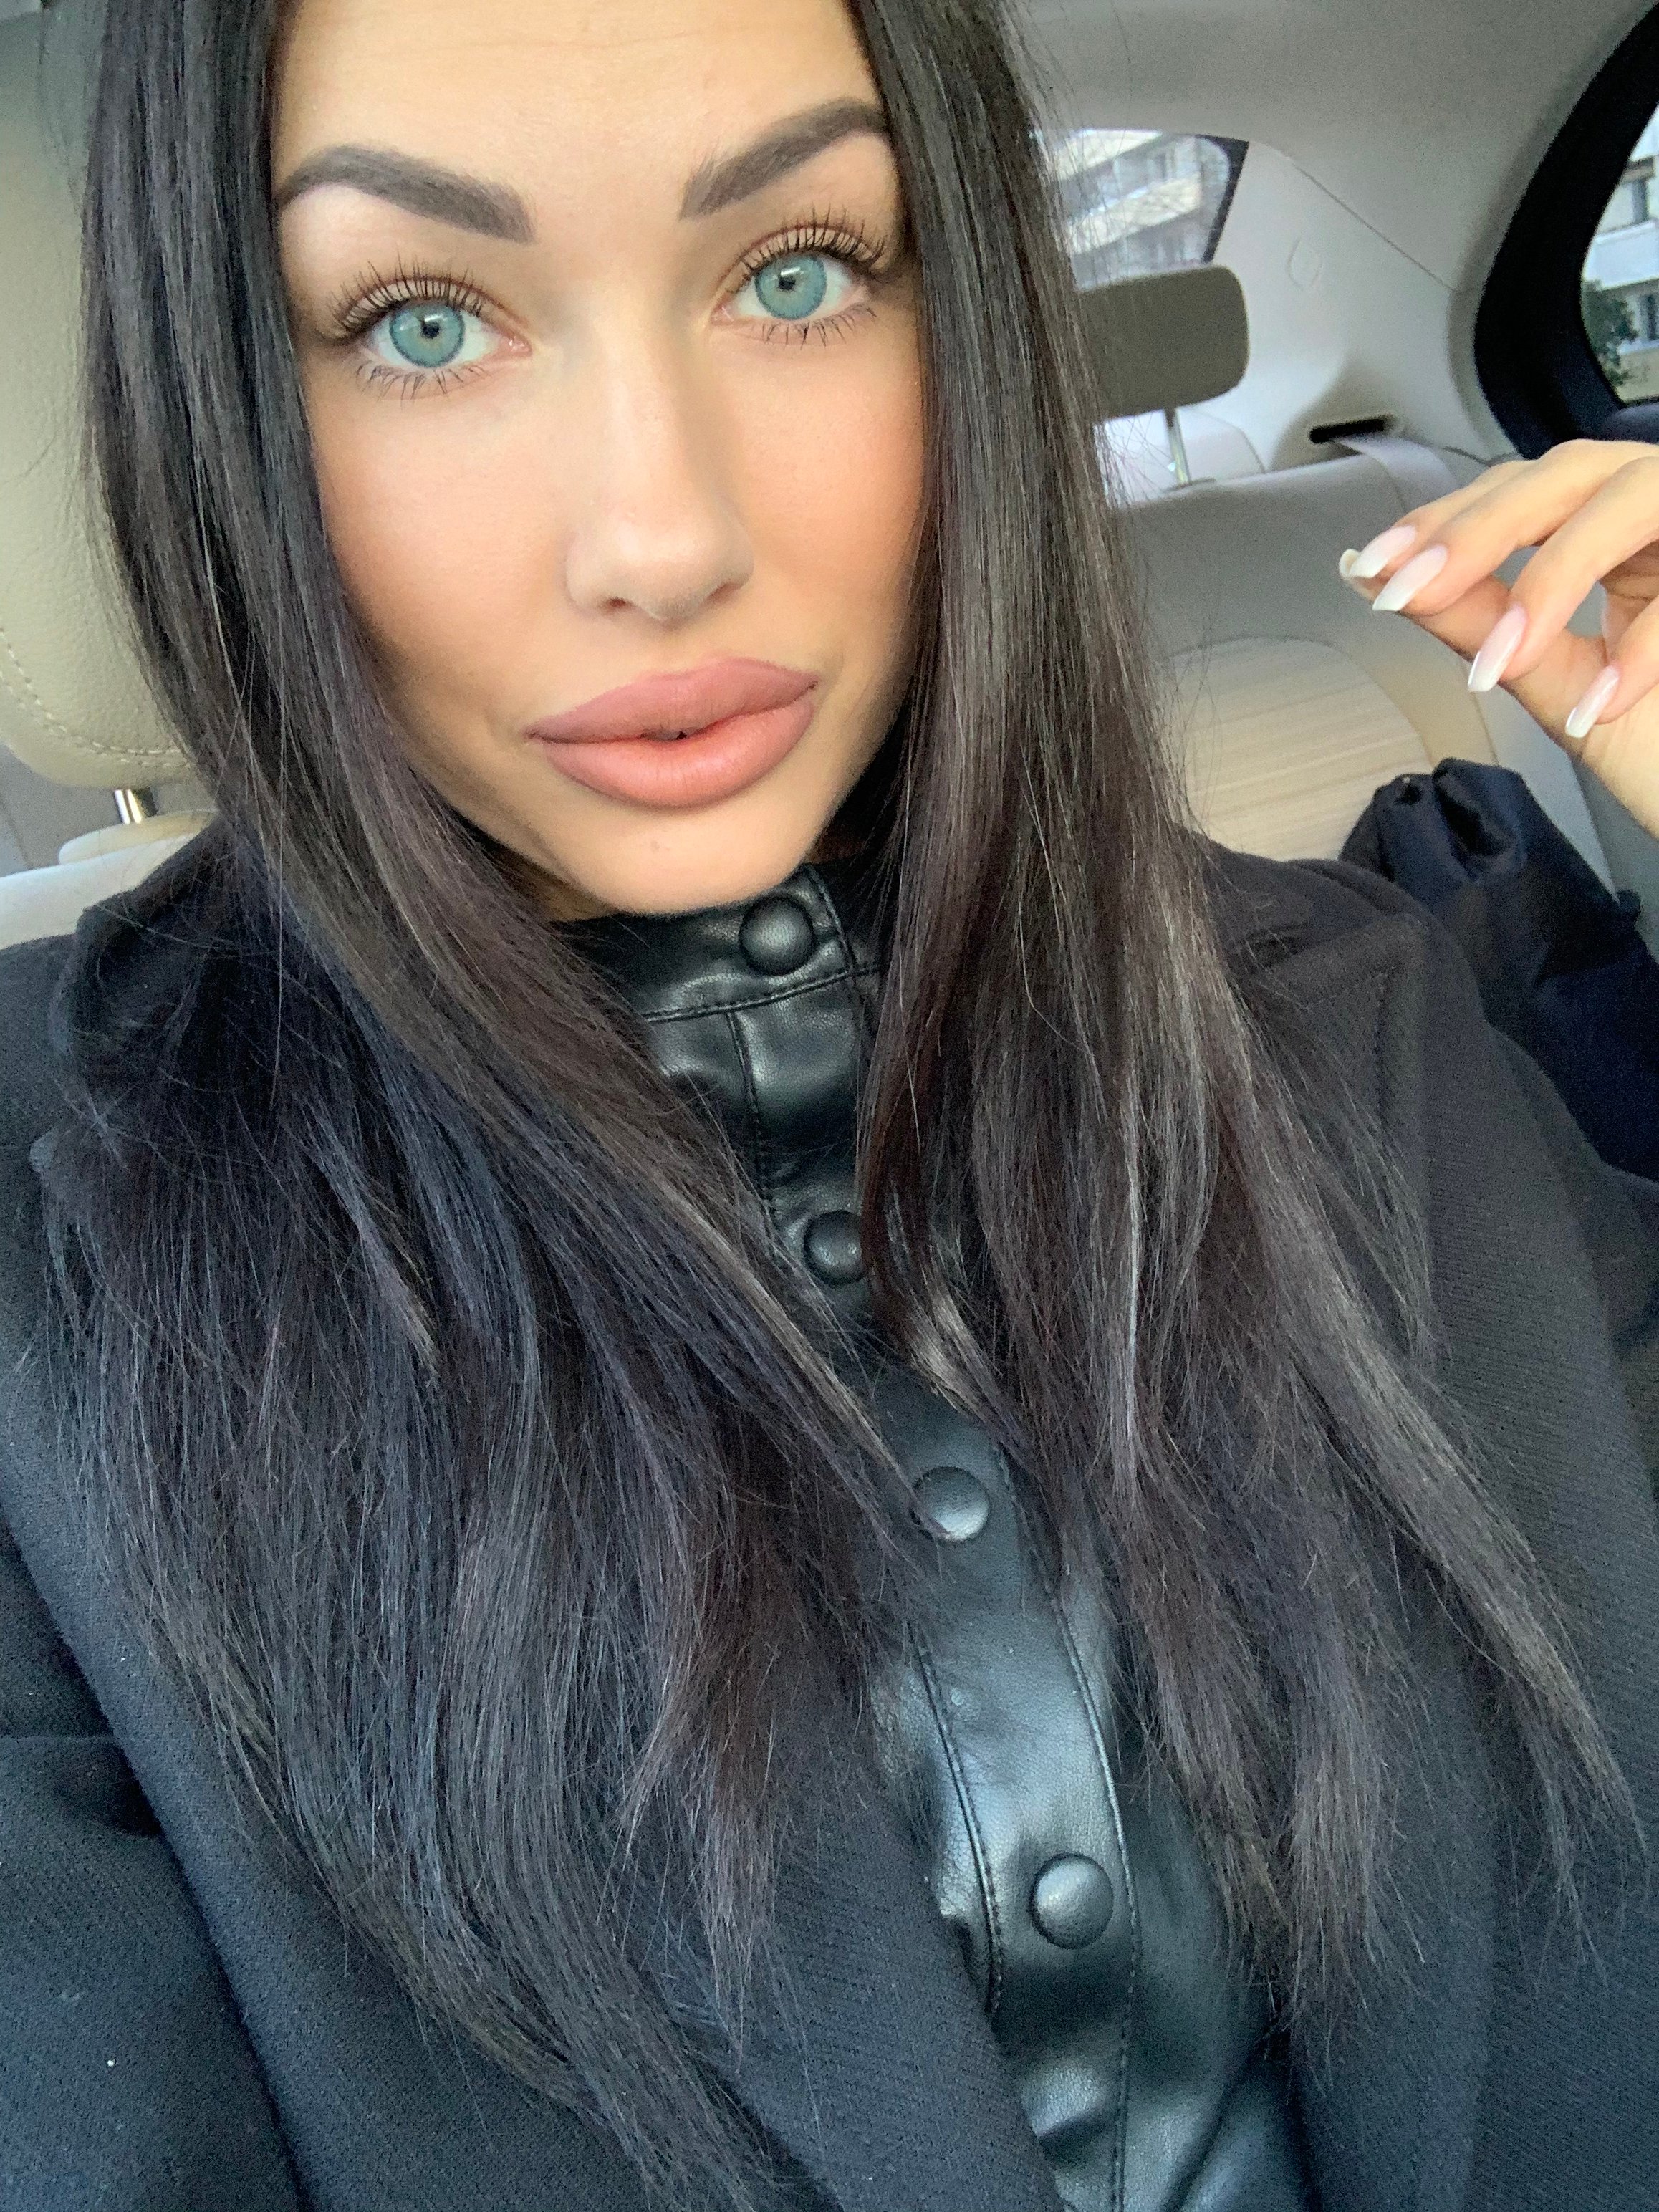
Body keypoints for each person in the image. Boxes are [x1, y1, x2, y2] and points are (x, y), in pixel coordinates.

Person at [0, 0, 1655, 2207]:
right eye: (418, 323)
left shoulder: (1362, 1017)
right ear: (215, 399)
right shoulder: (47, 1271)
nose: (661, 538)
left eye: (797, 276)